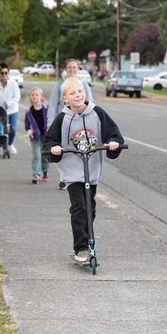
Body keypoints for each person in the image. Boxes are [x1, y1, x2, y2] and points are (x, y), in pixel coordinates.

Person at [43, 76, 124, 263]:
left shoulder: (97, 113)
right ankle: (80, 247)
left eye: (80, 91)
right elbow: (49, 141)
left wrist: (114, 143)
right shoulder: (62, 118)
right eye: (72, 93)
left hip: (91, 168)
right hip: (72, 172)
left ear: (85, 93)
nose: (77, 95)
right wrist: (54, 149)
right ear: (65, 98)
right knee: (79, 208)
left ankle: (88, 241)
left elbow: (114, 134)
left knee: (90, 208)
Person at [47, 59, 94, 189]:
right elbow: (53, 105)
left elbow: (90, 104)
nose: (72, 70)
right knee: (64, 150)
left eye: (74, 68)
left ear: (78, 69)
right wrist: (50, 124)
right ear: (66, 69)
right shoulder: (59, 86)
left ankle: (83, 177)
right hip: (65, 123)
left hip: (81, 123)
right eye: (69, 68)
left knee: (81, 149)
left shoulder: (84, 85)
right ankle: (66, 177)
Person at [0, 62, 21, 154]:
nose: (4, 75)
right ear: (0, 74)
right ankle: (5, 148)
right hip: (0, 111)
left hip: (12, 110)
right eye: (2, 73)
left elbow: (17, 97)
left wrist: (9, 103)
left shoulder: (13, 83)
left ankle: (10, 143)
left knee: (12, 129)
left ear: (8, 73)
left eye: (6, 73)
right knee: (3, 129)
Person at [24, 87, 50, 184]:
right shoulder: (28, 111)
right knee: (37, 155)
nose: (34, 97)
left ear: (41, 96)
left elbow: (52, 119)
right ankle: (36, 174)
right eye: (32, 95)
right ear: (30, 97)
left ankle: (45, 171)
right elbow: (26, 125)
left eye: (36, 95)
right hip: (35, 136)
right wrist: (29, 132)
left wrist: (50, 127)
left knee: (45, 155)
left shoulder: (47, 108)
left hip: (46, 136)